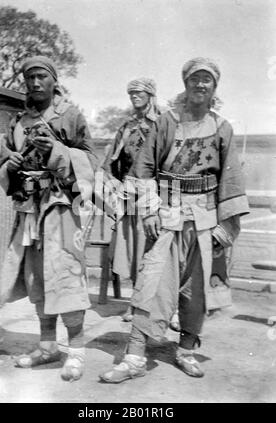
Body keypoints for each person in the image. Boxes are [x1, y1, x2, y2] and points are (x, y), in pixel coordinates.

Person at [100, 57, 249, 382]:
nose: (200, 84)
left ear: (215, 86)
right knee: (151, 284)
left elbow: (232, 178)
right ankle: (135, 358)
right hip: (168, 214)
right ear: (185, 83)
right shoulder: (165, 122)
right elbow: (143, 169)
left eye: (206, 79)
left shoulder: (222, 128)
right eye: (194, 78)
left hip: (206, 218)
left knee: (197, 291)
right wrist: (151, 209)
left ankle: (186, 351)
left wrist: (227, 226)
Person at [0, 56, 97, 381]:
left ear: (54, 81)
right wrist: (9, 164)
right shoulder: (17, 122)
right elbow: (3, 165)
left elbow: (92, 162)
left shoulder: (71, 115)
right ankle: (48, 346)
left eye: (41, 77)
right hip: (29, 211)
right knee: (38, 280)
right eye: (30, 78)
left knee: (65, 278)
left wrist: (58, 151)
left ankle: (77, 352)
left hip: (62, 208)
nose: (35, 83)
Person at [102, 78, 160, 321]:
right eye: (131, 93)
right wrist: (113, 187)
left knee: (155, 250)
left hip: (156, 195)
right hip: (129, 195)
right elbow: (112, 162)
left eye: (139, 93)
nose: (135, 97)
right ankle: (135, 303)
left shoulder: (162, 124)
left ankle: (166, 307)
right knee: (133, 250)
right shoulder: (127, 126)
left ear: (150, 95)